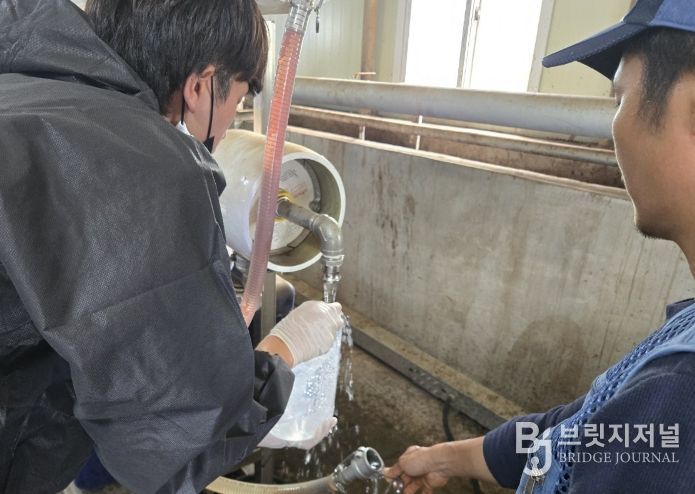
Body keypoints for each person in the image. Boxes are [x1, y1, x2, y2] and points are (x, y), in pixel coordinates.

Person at [0, 0, 343, 493]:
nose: (228, 125)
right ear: (201, 85)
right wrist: (283, 353)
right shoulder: (140, 165)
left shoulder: (28, 86)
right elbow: (171, 444)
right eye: (239, 101)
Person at [385, 0, 695, 492]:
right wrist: (443, 459)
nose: (614, 129)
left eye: (619, 99)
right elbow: (587, 430)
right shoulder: (682, 339)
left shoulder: (679, 395)